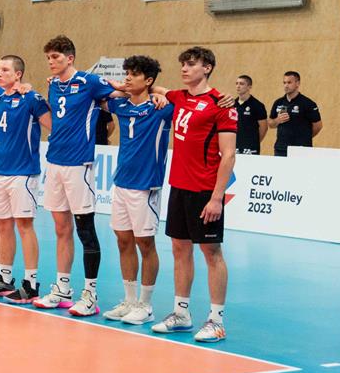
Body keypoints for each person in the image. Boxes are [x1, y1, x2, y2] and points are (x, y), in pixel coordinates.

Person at [153, 47, 237, 343]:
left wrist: (217, 198)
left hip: (205, 190)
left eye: (191, 64)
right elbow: (151, 87)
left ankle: (216, 321)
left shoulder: (221, 105)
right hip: (179, 186)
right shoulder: (179, 97)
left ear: (207, 68)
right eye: (183, 64)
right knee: (179, 248)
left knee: (211, 252)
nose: (184, 69)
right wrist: (156, 93)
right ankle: (181, 314)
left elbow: (228, 155)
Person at [32, 35, 114, 316]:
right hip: (54, 162)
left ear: (70, 58)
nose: (51, 62)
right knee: (61, 228)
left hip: (79, 164)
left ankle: (90, 294)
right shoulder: (53, 84)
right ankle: (62, 288)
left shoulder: (90, 82)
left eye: (55, 57)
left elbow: (121, 92)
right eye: (48, 58)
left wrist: (158, 92)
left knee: (85, 230)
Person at [101, 56, 174, 326]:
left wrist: (159, 92)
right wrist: (122, 88)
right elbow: (98, 94)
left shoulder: (161, 108)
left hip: (145, 185)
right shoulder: (120, 105)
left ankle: (146, 304)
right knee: (123, 241)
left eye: (134, 74)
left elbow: (184, 99)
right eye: (127, 74)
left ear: (149, 80)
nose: (128, 78)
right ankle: (130, 300)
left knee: (146, 243)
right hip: (121, 182)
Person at [0, 56, 52, 302]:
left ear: (18, 74)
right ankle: (4, 278)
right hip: (0, 171)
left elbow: (53, 126)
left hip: (23, 173)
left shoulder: (31, 98)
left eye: (5, 70)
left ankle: (31, 283)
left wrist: (32, 89)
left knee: (24, 226)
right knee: (2, 225)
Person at [269, 71, 322, 157]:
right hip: (281, 149)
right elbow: (270, 123)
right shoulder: (278, 102)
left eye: (289, 82)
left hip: (301, 149)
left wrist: (305, 138)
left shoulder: (308, 103)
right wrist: (277, 120)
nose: (286, 85)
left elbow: (318, 126)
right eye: (284, 83)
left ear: (297, 83)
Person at [233, 75, 267, 155]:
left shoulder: (258, 105)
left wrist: (254, 141)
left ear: (249, 87)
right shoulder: (232, 104)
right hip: (234, 146)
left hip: (251, 149)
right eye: (237, 83)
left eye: (241, 84)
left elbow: (264, 128)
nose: (238, 86)